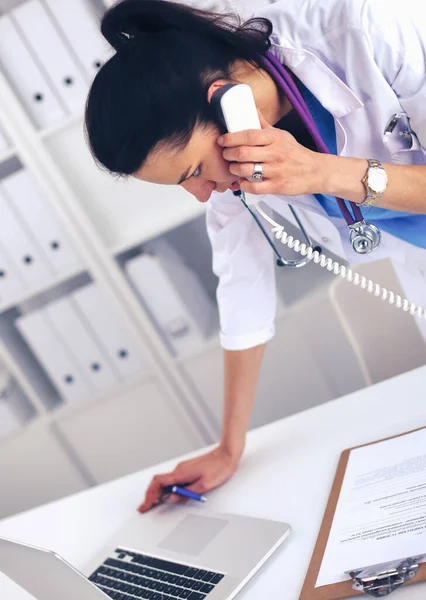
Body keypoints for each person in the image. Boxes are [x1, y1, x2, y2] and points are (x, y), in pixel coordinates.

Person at [85, 0, 426, 512]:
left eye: (193, 171)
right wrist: (229, 447)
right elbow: (241, 287)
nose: (201, 195)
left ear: (227, 101)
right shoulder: (237, 168)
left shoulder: (364, 28)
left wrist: (325, 173)